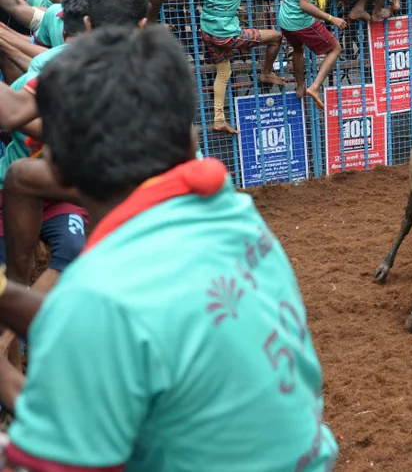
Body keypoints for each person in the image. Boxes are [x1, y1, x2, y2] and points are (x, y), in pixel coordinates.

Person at [2, 24, 339, 469]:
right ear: (189, 139)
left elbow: (48, 455)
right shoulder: (236, 218)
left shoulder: (101, 297)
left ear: (57, 166)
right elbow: (127, 327)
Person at [0, 0, 90, 297]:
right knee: (12, 272)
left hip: (60, 193)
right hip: (15, 188)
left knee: (72, 250)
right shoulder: (44, 66)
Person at [202, 0, 287, 135]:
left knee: (224, 72)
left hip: (207, 32)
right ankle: (266, 73)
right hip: (228, 35)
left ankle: (218, 118)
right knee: (276, 36)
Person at [278, 0, 345, 111]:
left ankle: (300, 86)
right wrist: (332, 18)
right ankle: (314, 87)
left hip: (284, 19)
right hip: (300, 21)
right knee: (335, 48)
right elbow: (305, 5)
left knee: (297, 49)